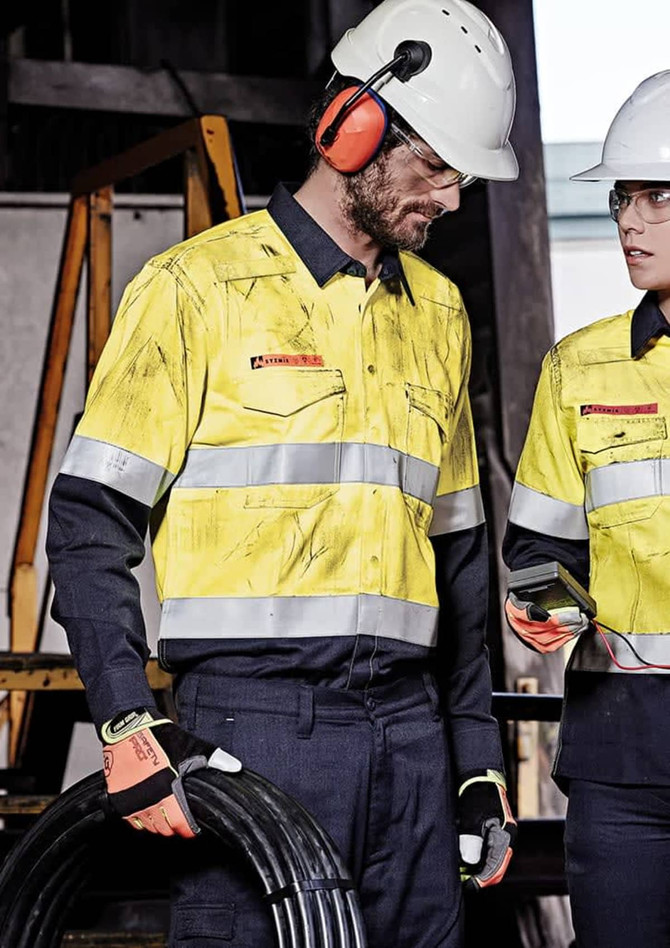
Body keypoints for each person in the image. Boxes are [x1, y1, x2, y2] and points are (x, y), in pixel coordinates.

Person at [46, 1, 518, 945]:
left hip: (412, 736)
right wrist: (127, 719)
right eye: (437, 168)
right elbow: (90, 523)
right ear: (355, 129)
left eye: (463, 177)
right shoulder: (194, 290)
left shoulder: (439, 313)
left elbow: (460, 562)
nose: (452, 199)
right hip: (253, 730)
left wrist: (476, 757)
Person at [502, 70, 670, 948]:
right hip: (621, 755)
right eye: (621, 199)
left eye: (657, 196)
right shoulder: (579, 368)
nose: (629, 222)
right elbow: (538, 550)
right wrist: (545, 608)